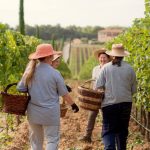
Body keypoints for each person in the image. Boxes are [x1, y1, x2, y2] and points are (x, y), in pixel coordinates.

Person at [17, 43, 79, 150]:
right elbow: (64, 93)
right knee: (52, 140)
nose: (52, 57)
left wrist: (34, 88)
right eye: (51, 55)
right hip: (50, 114)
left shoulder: (30, 71)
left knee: (36, 142)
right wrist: (73, 105)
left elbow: (20, 88)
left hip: (33, 113)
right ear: (48, 57)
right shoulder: (55, 73)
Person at [96, 44, 137, 150]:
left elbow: (98, 86)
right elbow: (134, 89)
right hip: (126, 104)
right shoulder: (130, 68)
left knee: (109, 131)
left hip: (109, 105)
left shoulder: (105, 68)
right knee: (122, 131)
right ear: (123, 55)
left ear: (112, 55)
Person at [79, 48, 111, 143]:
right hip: (95, 96)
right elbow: (93, 82)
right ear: (98, 59)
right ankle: (87, 136)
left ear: (108, 58)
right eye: (101, 58)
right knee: (92, 115)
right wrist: (93, 92)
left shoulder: (110, 69)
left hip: (106, 96)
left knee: (105, 117)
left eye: (104, 57)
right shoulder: (95, 69)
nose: (102, 59)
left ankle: (105, 137)